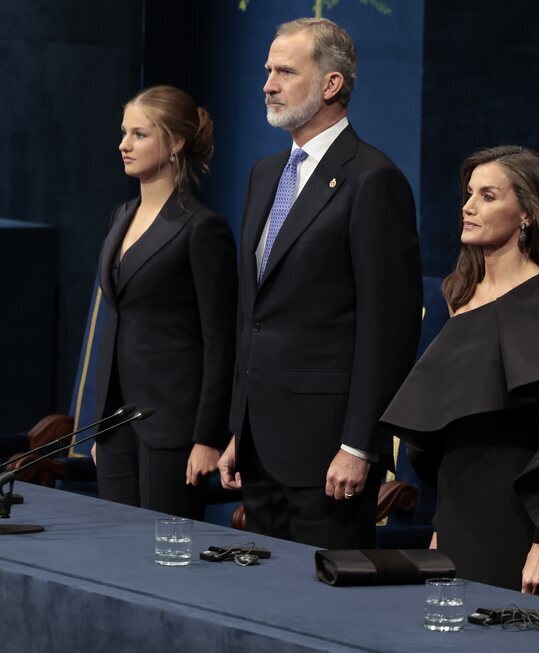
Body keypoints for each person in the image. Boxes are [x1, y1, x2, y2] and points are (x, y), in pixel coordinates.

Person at [380, 146, 539, 597]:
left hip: (515, 517)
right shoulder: (460, 294)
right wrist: (439, 522)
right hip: (455, 514)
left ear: (527, 213)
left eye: (488, 196)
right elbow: (447, 422)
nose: (468, 207)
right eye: (469, 194)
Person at [218, 18, 421, 548]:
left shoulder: (373, 179)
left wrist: (360, 445)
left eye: (285, 71)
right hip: (260, 442)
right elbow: (254, 315)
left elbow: (388, 330)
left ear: (332, 84)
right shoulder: (264, 173)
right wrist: (240, 427)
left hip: (328, 451)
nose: (268, 83)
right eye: (268, 70)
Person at [93, 85, 237, 520]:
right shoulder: (121, 215)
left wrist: (208, 437)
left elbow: (220, 339)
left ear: (175, 142)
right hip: (116, 422)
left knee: (164, 558)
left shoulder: (202, 228)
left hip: (174, 427)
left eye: (139, 134)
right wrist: (99, 423)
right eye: (123, 133)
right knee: (117, 556)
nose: (124, 144)